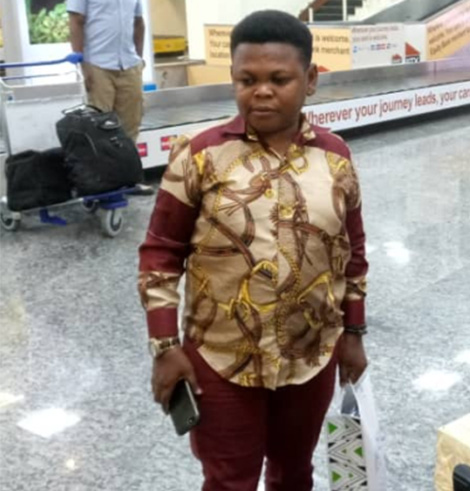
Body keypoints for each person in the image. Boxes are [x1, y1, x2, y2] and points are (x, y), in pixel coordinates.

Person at [137, 10, 369, 491]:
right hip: (221, 360)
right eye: (247, 79)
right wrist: (165, 348)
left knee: (294, 474)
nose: (261, 91)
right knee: (229, 481)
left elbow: (353, 253)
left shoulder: (336, 158)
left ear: (310, 80)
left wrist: (353, 333)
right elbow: (160, 254)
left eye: (278, 79)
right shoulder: (199, 156)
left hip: (311, 358)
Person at [68, 0, 145, 142]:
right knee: (99, 127)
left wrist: (139, 60)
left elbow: (138, 22)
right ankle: (103, 164)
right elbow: (76, 21)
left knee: (130, 128)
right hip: (97, 65)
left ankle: (127, 163)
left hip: (129, 65)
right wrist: (83, 66)